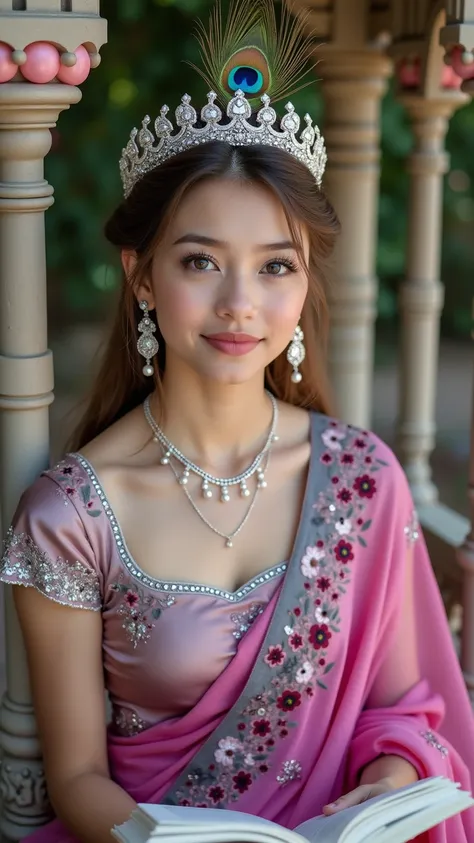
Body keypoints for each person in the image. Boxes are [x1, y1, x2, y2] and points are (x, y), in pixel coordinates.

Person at [1, 1, 473, 841]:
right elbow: (75, 776)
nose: (239, 305)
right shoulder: (70, 515)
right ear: (140, 275)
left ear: (303, 283)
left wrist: (392, 777)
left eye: (275, 267)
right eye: (200, 261)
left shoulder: (362, 480)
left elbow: (404, 707)